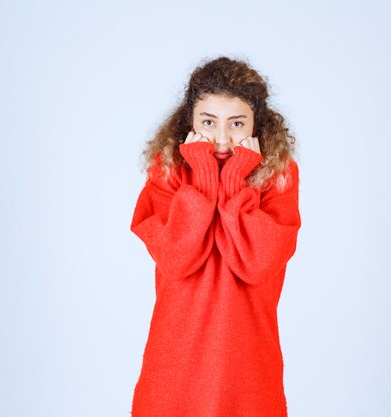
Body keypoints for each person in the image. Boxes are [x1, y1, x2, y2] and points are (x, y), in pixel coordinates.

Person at [129, 56, 302, 417]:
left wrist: (237, 179)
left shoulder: (278, 177)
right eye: (209, 122)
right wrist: (206, 177)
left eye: (236, 123)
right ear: (189, 121)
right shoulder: (168, 171)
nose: (222, 138)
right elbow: (178, 258)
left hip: (248, 368)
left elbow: (256, 264)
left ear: (257, 124)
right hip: (176, 366)